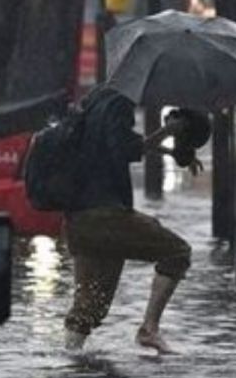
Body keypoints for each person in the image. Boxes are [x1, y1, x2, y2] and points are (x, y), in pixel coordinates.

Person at [63, 86, 198, 355]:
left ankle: (71, 364)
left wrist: (170, 152)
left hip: (78, 218)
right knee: (177, 252)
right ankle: (149, 329)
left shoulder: (93, 102)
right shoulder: (119, 104)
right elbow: (123, 148)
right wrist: (169, 131)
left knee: (89, 307)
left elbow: (110, 145)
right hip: (107, 215)